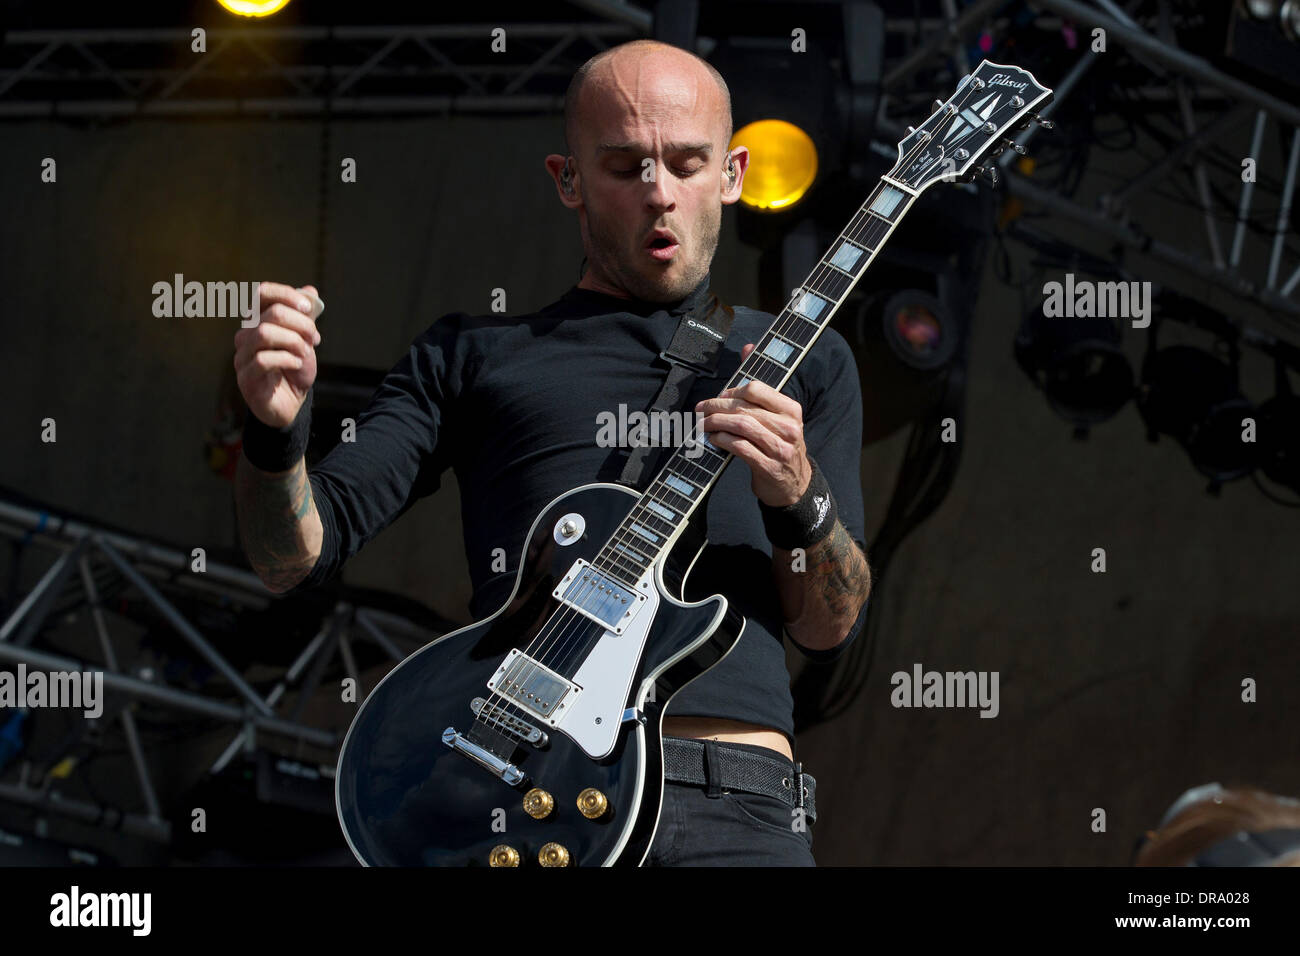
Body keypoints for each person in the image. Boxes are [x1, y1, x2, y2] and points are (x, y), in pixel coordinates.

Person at [232, 38, 872, 866]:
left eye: (686, 163)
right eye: (624, 166)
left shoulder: (804, 362)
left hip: (737, 806)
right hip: (520, 789)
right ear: (567, 180)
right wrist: (273, 431)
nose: (659, 195)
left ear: (735, 173)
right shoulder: (473, 354)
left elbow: (829, 627)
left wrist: (798, 491)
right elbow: (291, 558)